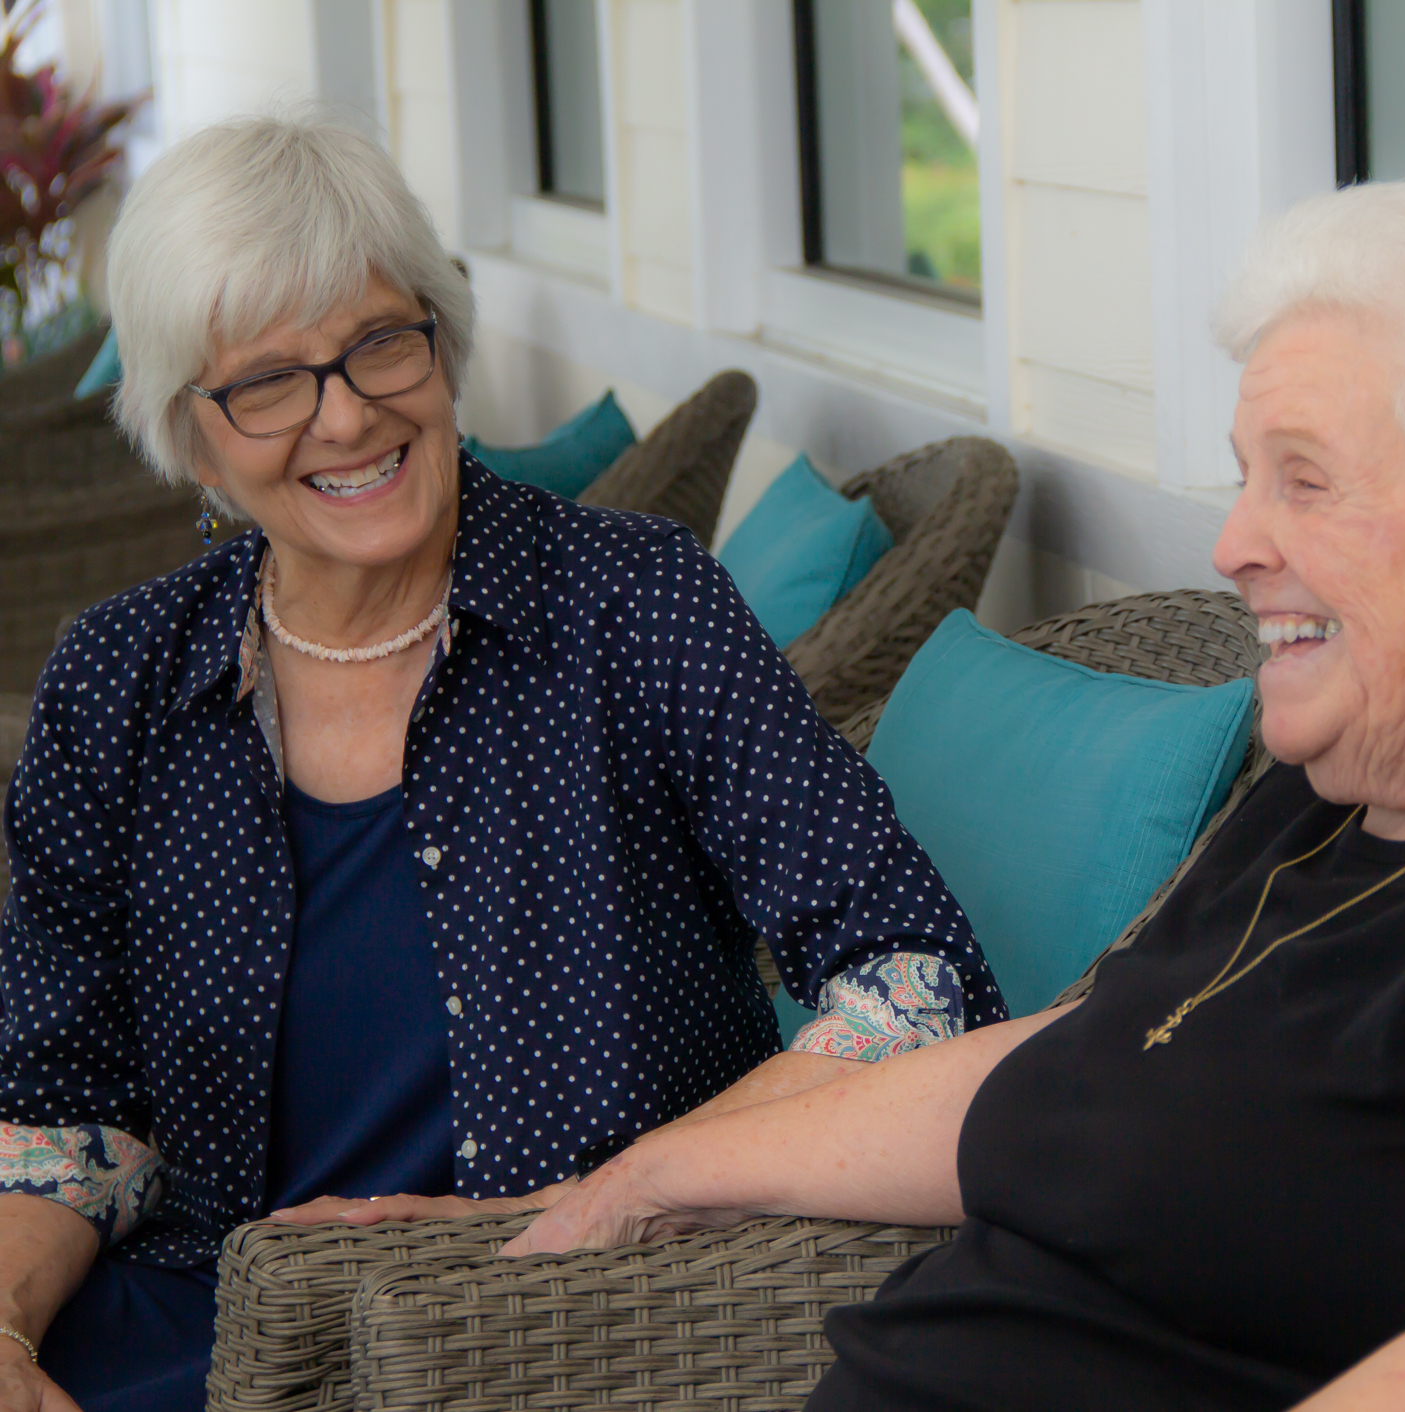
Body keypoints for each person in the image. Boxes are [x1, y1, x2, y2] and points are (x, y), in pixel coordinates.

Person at [465, 182, 1405, 1412]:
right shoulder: (1324, 802)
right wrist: (656, 1172)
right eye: (1248, 479)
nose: (1236, 545)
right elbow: (1074, 1064)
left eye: (1306, 482)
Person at [0, 113, 1002, 1412]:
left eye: (379, 341)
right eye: (267, 383)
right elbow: (63, 1098)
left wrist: (630, 1189)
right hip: (197, 1323)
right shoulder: (116, 681)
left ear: (442, 337)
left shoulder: (633, 610)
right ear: (192, 438)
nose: (347, 416)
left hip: (544, 1316)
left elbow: (918, 976)